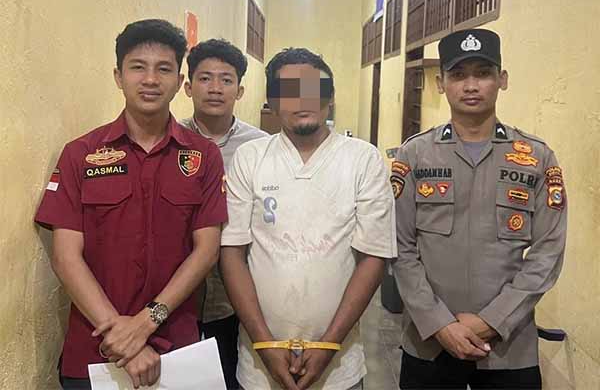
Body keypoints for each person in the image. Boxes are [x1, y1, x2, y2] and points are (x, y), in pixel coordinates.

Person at [34, 19, 227, 389]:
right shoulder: (80, 154)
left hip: (178, 353)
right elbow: (65, 257)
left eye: (163, 69)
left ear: (178, 81)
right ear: (118, 77)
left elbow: (206, 251)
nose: (150, 79)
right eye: (138, 67)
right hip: (95, 351)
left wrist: (146, 322)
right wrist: (123, 337)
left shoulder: (203, 156)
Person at [392, 28, 567, 390]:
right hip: (429, 343)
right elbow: (400, 246)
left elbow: (548, 252)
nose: (471, 86)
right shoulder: (415, 154)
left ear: (502, 79)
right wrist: (440, 323)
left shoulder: (536, 157)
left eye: (483, 73)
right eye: (458, 74)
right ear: (441, 83)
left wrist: (492, 321)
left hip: (509, 348)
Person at [219, 47, 397, 390]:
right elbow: (232, 254)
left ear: (330, 96)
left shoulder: (363, 160)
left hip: (340, 365)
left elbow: (373, 257)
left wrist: (329, 345)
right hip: (258, 365)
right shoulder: (250, 158)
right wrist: (264, 344)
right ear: (272, 102)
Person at [180, 38, 267, 389]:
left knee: (233, 378)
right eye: (205, 78)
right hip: (177, 297)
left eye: (226, 79)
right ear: (188, 87)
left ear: (240, 90)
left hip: (238, 300)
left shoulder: (261, 147)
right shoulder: (170, 140)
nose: (215, 88)